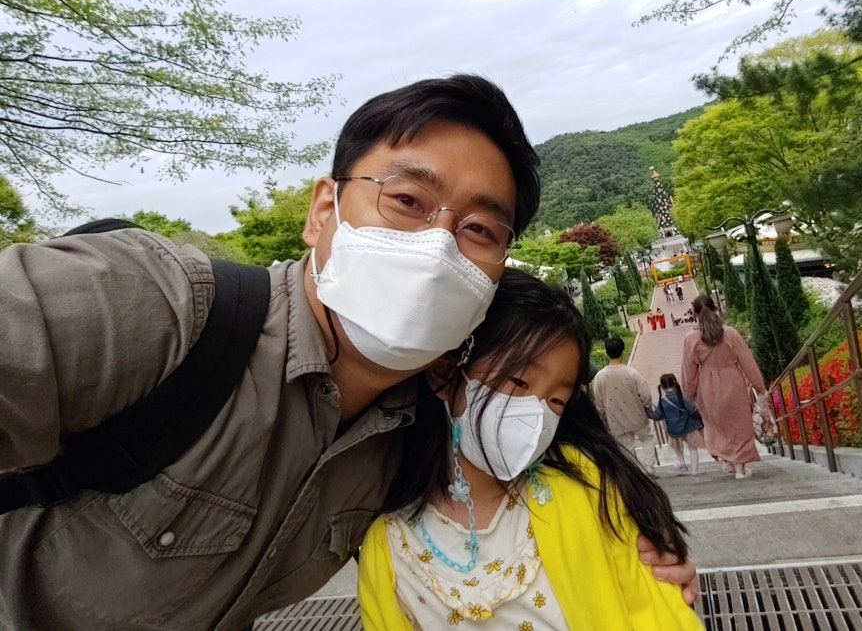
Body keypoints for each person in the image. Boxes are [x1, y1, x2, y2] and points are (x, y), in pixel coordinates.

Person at [0, 75, 694, 629]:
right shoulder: (158, 304)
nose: (438, 246)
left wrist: (642, 560)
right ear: (323, 210)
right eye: (407, 200)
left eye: (479, 228)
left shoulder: (414, 436)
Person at [358, 270, 703, 629]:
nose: (535, 413)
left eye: (556, 399)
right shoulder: (389, 549)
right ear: (446, 370)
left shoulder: (588, 487)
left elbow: (660, 614)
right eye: (519, 380)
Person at [680, 295, 767, 480]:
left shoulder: (691, 338)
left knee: (716, 424)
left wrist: (689, 393)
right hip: (733, 382)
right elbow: (747, 361)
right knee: (738, 424)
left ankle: (726, 460)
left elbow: (689, 370)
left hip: (707, 386)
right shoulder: (730, 333)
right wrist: (759, 386)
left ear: (695, 314)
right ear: (716, 309)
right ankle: (740, 469)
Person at [592, 337, 657, 474]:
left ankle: (635, 471)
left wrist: (603, 416)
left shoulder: (600, 376)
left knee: (626, 447)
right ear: (622, 351)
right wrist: (647, 407)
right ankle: (649, 467)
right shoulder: (631, 373)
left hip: (616, 419)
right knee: (647, 438)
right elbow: (645, 395)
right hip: (637, 414)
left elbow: (598, 401)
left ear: (606, 353)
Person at [648, 373, 705, 476]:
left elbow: (657, 416)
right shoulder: (681, 396)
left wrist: (647, 412)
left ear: (662, 386)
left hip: (673, 429)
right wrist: (700, 416)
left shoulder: (663, 400)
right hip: (689, 426)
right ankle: (694, 471)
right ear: (675, 383)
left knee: (678, 448)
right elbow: (692, 409)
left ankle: (682, 464)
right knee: (693, 448)